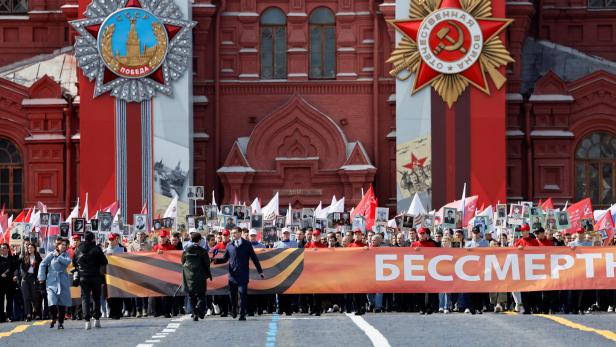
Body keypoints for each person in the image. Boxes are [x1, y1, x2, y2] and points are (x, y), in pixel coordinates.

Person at [214, 227, 265, 321]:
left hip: (243, 274)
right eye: (232, 233)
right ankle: (234, 309)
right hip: (232, 275)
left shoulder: (247, 244)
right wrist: (215, 260)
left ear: (240, 233)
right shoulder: (229, 245)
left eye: (235, 233)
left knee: (243, 294)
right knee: (232, 295)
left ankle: (242, 314)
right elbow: (225, 259)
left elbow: (254, 258)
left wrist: (260, 271)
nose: (233, 235)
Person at [74, 231, 108, 330]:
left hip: (83, 277)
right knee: (96, 298)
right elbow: (105, 261)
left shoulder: (78, 248)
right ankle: (96, 319)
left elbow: (74, 262)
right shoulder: (97, 249)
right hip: (96, 276)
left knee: (85, 298)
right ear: (93, 238)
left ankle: (87, 321)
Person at [38, 239, 71, 329]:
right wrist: (42, 277)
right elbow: (43, 264)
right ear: (57, 246)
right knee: (51, 301)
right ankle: (53, 317)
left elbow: (67, 262)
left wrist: (59, 256)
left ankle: (60, 322)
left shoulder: (66, 254)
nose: (64, 246)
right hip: (51, 281)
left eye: (65, 245)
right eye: (62, 244)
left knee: (62, 303)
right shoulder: (51, 254)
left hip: (63, 280)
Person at [182, 232, 212, 321]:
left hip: (189, 277)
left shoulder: (186, 251)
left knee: (191, 296)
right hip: (200, 275)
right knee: (201, 295)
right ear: (199, 240)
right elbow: (207, 263)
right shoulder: (203, 251)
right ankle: (200, 310)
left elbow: (182, 261)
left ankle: (195, 313)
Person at [19, 243, 42, 321]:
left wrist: (39, 277)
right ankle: (28, 314)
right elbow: (21, 268)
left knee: (34, 296)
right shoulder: (24, 257)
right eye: (28, 248)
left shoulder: (38, 258)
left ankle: (36, 312)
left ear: (34, 248)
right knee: (26, 297)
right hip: (25, 279)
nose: (30, 249)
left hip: (34, 279)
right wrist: (24, 276)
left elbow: (41, 268)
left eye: (31, 247)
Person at [0, 243, 17, 322]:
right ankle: (1, 317)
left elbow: (15, 269)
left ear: (7, 249)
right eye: (1, 248)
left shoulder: (12, 258)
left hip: (10, 283)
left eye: (4, 248)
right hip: (1, 283)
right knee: (0, 300)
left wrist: (15, 275)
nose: (2, 249)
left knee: (9, 300)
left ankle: (9, 316)